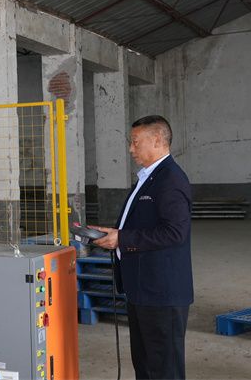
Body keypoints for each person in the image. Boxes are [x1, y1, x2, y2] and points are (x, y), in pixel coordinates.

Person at [92, 116, 193, 380]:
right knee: (146, 365)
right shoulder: (148, 178)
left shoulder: (170, 179)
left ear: (157, 140)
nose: (130, 149)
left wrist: (122, 239)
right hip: (142, 289)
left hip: (162, 293)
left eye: (135, 142)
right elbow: (140, 224)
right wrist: (113, 234)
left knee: (164, 369)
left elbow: (175, 233)